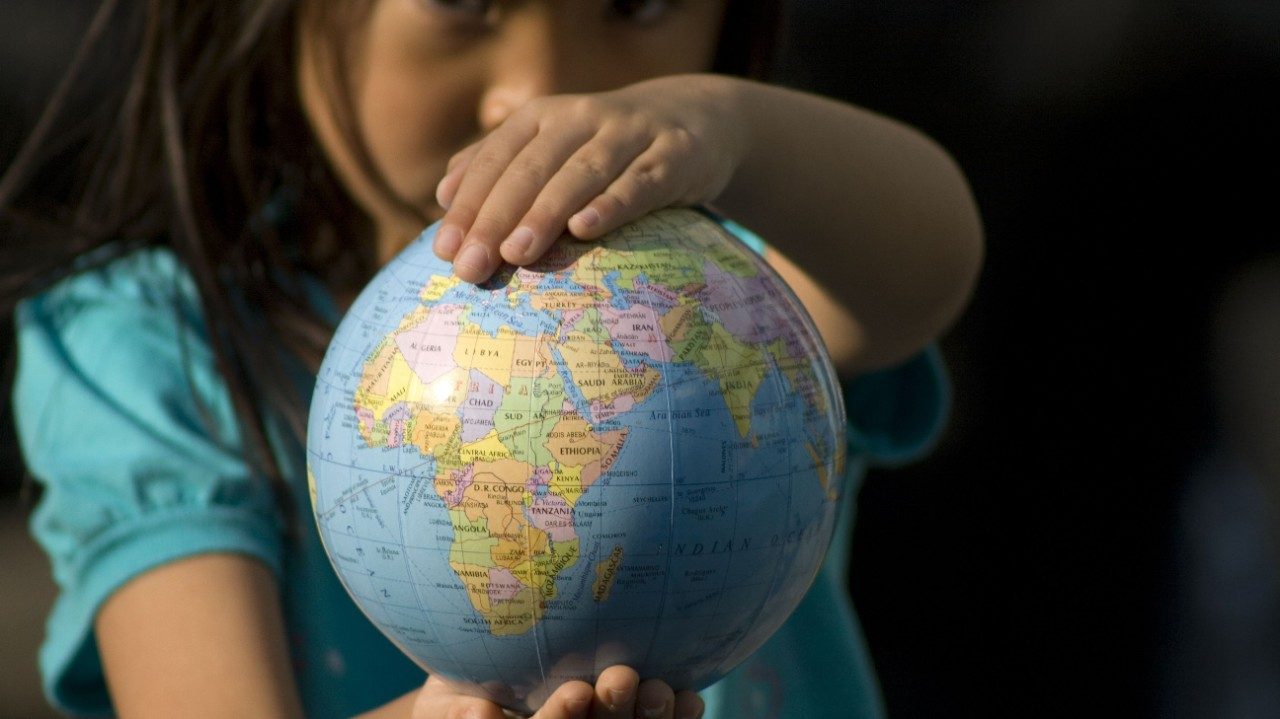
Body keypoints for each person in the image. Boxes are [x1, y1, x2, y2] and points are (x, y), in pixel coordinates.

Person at [0, 1, 982, 717]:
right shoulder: (151, 342)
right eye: (464, 5)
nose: (546, 84)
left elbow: (927, 265)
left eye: (639, 5)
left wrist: (723, 124)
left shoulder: (719, 298)